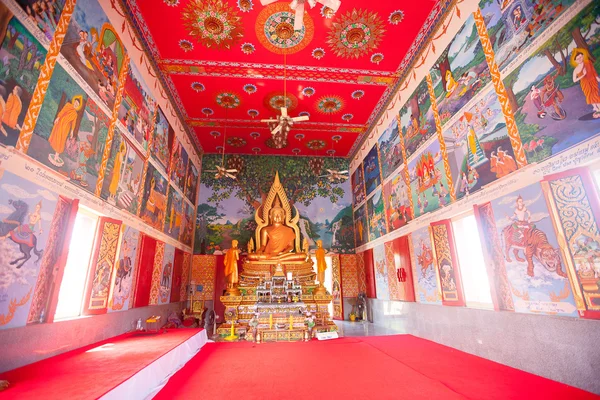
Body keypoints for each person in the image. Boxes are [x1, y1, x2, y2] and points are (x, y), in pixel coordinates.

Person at [48, 95, 83, 167]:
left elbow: (73, 123)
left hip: (66, 128)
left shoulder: (75, 114)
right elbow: (62, 111)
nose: (76, 104)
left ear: (78, 106)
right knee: (57, 137)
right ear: (74, 102)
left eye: (77, 104)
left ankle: (56, 155)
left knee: (62, 140)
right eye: (75, 102)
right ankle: (56, 155)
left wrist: (72, 132)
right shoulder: (68, 105)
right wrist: (58, 118)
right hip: (60, 124)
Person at [571, 47, 600, 118]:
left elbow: (593, 71)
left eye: (581, 57)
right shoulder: (576, 70)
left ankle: (599, 108)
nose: (580, 59)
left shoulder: (587, 62)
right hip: (585, 84)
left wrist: (597, 78)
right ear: (575, 60)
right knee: (589, 96)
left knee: (595, 94)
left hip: (592, 80)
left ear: (583, 56)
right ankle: (596, 108)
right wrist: (583, 75)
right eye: (578, 59)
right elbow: (574, 80)